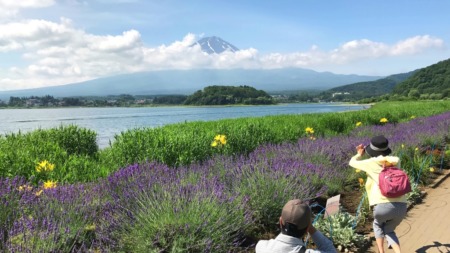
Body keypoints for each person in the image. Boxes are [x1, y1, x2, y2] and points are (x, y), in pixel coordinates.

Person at [349, 135, 408, 253]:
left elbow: (352, 162)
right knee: (389, 229)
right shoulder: (396, 160)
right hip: (402, 205)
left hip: (382, 205)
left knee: (377, 225)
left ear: (372, 150)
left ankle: (381, 252)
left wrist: (359, 154)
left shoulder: (370, 163)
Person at [255, 199, 336, 253]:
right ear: (307, 228)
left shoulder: (261, 247)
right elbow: (330, 250)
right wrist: (310, 227)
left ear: (280, 222)